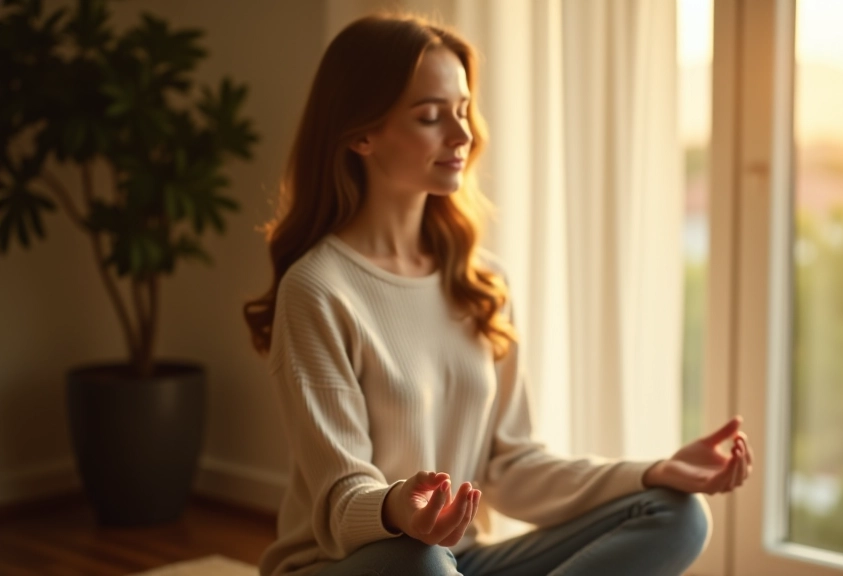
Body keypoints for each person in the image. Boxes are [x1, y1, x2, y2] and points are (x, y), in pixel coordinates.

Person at [243, 11, 753, 576]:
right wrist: (397, 507)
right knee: (422, 563)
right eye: (431, 117)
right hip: (355, 565)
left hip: (461, 563)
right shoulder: (317, 290)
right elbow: (340, 500)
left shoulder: (482, 281)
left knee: (678, 513)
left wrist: (653, 471)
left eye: (462, 111)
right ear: (361, 133)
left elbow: (512, 467)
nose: (462, 135)